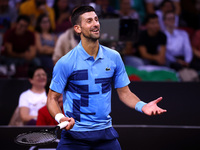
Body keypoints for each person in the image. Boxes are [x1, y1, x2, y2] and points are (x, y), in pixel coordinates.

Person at [47, 6, 167, 150]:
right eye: (89, 21)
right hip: (74, 136)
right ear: (78, 29)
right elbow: (52, 98)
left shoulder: (114, 57)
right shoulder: (65, 62)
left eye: (96, 20)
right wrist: (61, 118)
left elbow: (125, 93)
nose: (95, 24)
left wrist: (143, 106)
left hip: (105, 135)